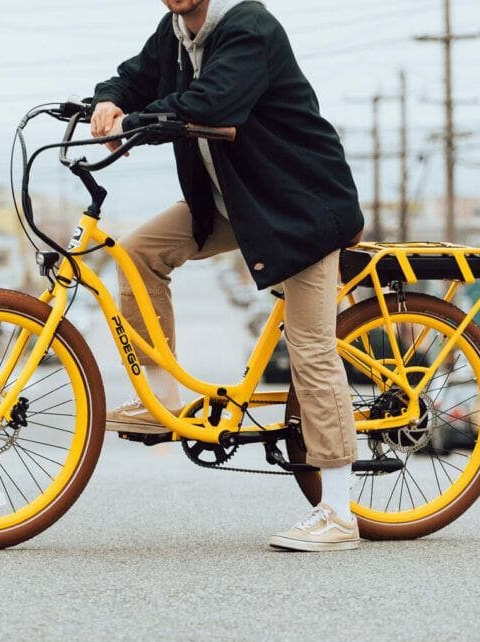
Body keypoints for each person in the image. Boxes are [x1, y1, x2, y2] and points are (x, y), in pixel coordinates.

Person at [91, 0, 365, 552]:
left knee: (311, 347)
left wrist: (134, 122)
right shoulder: (174, 34)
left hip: (298, 208)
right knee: (138, 253)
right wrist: (105, 102)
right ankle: (159, 397)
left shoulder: (249, 27)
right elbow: (134, 78)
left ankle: (338, 512)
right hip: (230, 203)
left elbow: (212, 103)